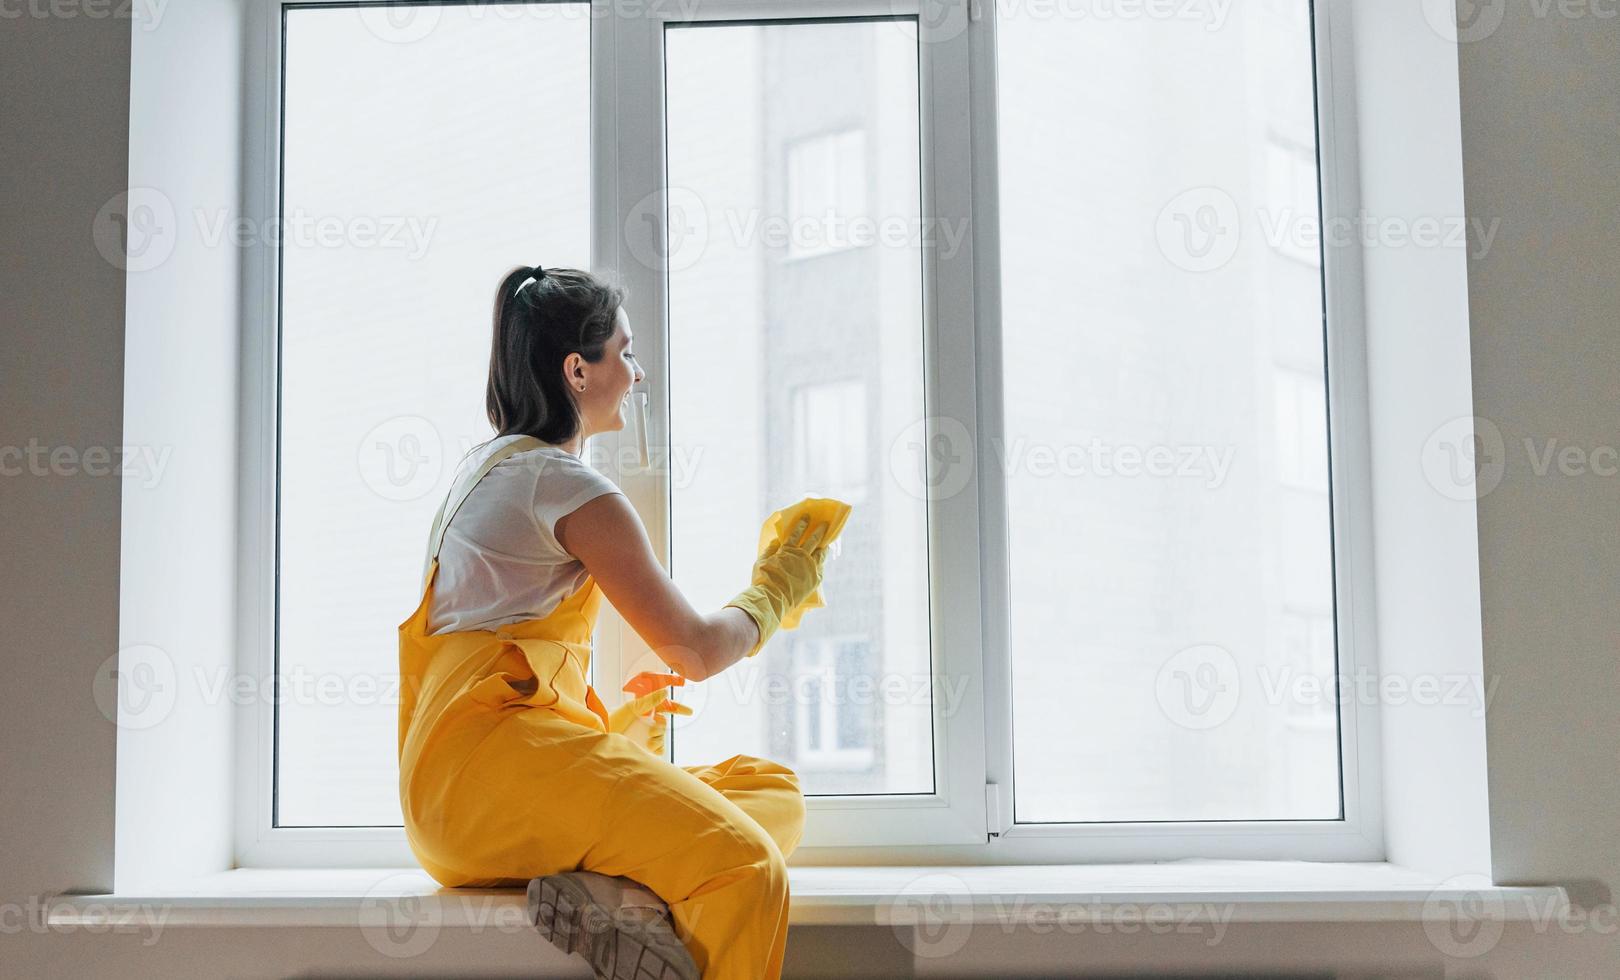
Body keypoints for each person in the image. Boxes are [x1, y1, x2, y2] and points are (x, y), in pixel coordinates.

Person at [397, 265, 833, 980]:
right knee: (748, 864)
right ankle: (625, 899)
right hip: (490, 776)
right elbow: (691, 649)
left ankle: (612, 899)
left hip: (452, 797)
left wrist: (614, 740)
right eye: (623, 353)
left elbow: (498, 655)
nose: (634, 373)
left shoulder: (485, 471)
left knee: (770, 795)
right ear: (577, 369)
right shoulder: (561, 484)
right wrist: (774, 593)